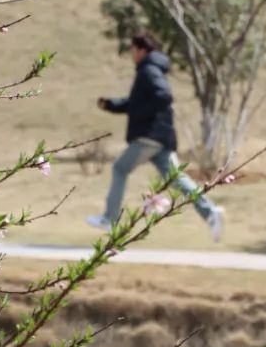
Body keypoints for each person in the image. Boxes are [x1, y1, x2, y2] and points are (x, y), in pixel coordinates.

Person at [88, 31, 225, 241]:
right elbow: (136, 104)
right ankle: (210, 212)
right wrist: (111, 105)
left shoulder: (148, 71)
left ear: (142, 50)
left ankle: (109, 218)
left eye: (133, 50)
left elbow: (164, 96)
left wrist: (143, 115)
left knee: (120, 168)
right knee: (176, 179)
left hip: (149, 136)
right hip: (161, 138)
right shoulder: (151, 70)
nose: (131, 54)